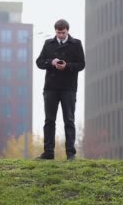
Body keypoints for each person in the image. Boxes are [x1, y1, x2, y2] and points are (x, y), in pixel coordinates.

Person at [35, 19, 85, 160]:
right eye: (58, 33)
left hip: (68, 88)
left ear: (67, 30)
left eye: (63, 33)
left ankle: (71, 153)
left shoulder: (76, 44)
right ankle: (48, 152)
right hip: (50, 87)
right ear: (55, 31)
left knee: (69, 120)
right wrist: (51, 62)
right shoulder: (48, 44)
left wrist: (67, 66)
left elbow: (81, 64)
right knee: (49, 120)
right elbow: (39, 62)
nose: (61, 35)